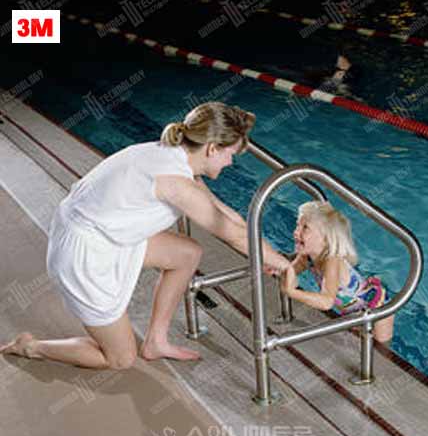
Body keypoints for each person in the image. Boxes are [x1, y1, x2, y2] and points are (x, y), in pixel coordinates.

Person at [0, 102, 290, 368]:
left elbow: (228, 217)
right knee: (119, 359)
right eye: (231, 154)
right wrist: (286, 266)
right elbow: (233, 236)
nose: (230, 163)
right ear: (213, 148)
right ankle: (32, 347)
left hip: (103, 236)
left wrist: (271, 257)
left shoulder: (174, 156)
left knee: (187, 254)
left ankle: (156, 342)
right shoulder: (176, 182)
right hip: (83, 256)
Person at [280, 201, 394, 344]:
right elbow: (290, 271)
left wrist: (292, 292)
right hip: (352, 310)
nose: (296, 232)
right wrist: (281, 268)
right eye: (298, 225)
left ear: (326, 238)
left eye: (305, 228)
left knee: (380, 349)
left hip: (377, 306)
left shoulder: (332, 261)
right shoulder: (306, 256)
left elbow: (327, 302)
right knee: (359, 343)